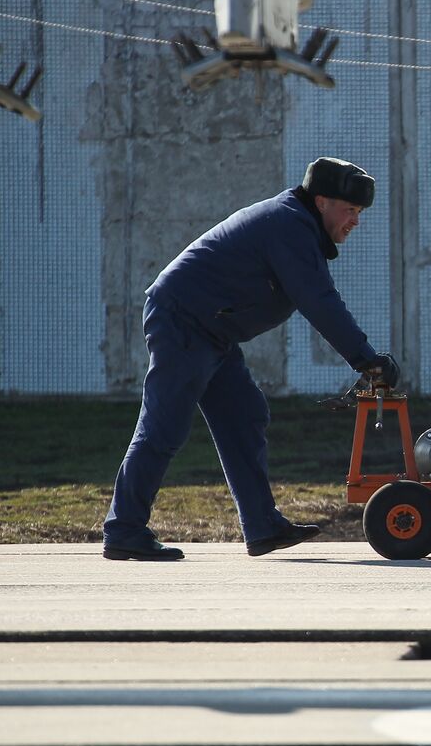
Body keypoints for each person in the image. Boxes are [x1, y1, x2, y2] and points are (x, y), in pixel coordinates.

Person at [102, 157, 399, 561]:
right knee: (164, 425)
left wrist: (365, 359)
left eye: (360, 213)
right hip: (184, 321)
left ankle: (261, 526)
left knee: (244, 415)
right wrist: (366, 359)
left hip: (211, 330)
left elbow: (315, 297)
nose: (355, 222)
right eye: (351, 211)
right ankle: (124, 529)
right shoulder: (290, 225)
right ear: (323, 201)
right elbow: (319, 301)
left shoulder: (297, 225)